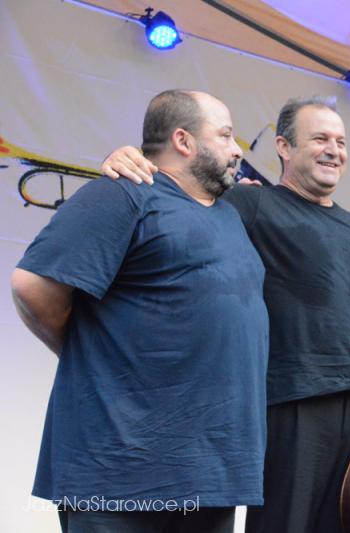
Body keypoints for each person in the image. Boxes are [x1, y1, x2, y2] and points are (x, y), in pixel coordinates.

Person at [100, 96, 350, 533]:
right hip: (288, 402)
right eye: (319, 138)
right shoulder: (251, 205)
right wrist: (128, 159)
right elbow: (179, 197)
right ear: (283, 146)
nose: (334, 150)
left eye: (341, 141)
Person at [11, 90, 269, 533]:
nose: (236, 149)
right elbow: (32, 287)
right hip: (121, 469)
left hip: (211, 471)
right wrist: (89, 355)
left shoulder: (230, 215)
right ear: (184, 141)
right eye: (225, 135)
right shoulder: (125, 194)